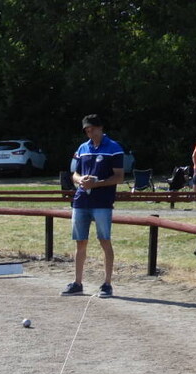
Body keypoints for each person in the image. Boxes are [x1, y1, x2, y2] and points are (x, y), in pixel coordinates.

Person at [61, 114, 125, 298]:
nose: (91, 134)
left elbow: (119, 177)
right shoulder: (82, 148)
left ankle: (107, 284)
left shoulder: (114, 148)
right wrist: (81, 179)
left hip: (102, 202)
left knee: (104, 240)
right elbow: (74, 173)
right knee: (80, 241)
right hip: (81, 200)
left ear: (101, 128)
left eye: (93, 129)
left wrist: (96, 184)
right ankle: (77, 283)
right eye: (87, 131)